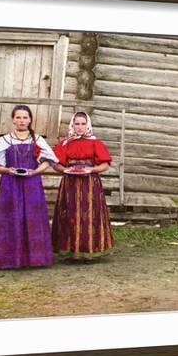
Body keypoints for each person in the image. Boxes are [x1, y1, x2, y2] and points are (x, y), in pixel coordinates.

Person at [0, 105, 58, 269]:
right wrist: (8, 170)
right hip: (10, 184)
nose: (21, 121)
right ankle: (8, 260)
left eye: (25, 117)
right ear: (13, 119)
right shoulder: (3, 140)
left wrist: (35, 172)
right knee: (11, 217)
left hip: (32, 184)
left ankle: (35, 258)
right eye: (18, 117)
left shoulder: (38, 140)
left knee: (33, 218)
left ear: (30, 119)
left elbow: (49, 160)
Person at [51, 111, 114, 263]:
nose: (80, 127)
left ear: (88, 125)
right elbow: (55, 163)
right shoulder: (65, 143)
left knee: (89, 215)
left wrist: (91, 170)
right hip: (70, 184)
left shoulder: (95, 143)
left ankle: (90, 250)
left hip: (89, 184)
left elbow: (105, 164)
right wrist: (65, 170)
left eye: (83, 124)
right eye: (77, 124)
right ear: (72, 125)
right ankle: (70, 252)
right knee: (70, 216)